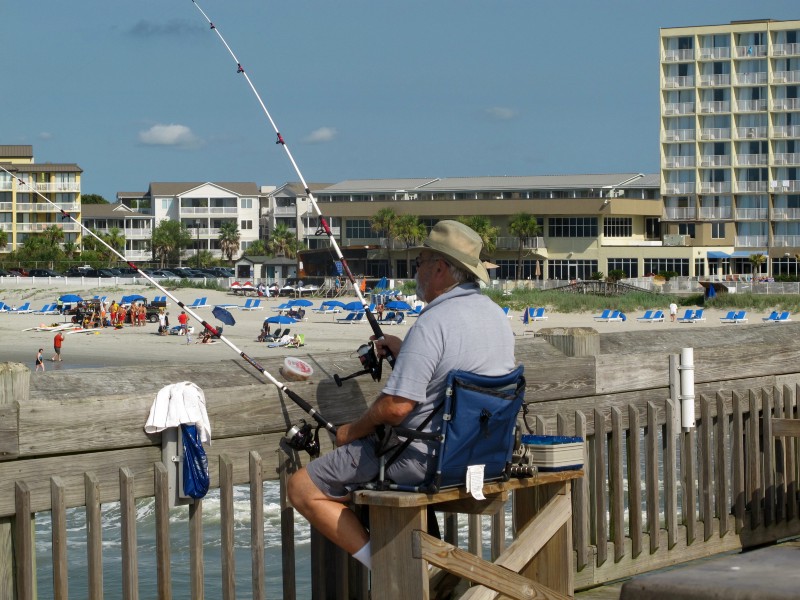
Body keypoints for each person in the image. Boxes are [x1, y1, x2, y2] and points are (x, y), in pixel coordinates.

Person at [287, 220, 516, 570]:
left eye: (420, 261)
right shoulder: (495, 316)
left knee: (303, 488)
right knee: (351, 485)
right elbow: (454, 369)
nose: (417, 270)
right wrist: (406, 349)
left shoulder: (433, 322)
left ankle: (385, 569)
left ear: (439, 268)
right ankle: (425, 560)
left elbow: (396, 408)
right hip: (479, 457)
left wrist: (350, 431)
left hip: (425, 461)